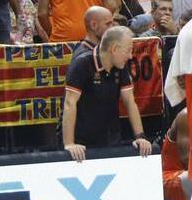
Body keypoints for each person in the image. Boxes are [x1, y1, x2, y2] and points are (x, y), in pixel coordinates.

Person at [62, 23, 151, 154]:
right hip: (82, 140)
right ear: (114, 49)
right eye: (128, 50)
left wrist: (140, 137)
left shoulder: (120, 65)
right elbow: (69, 103)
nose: (130, 56)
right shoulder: (82, 63)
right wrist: (69, 143)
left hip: (110, 137)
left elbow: (130, 102)